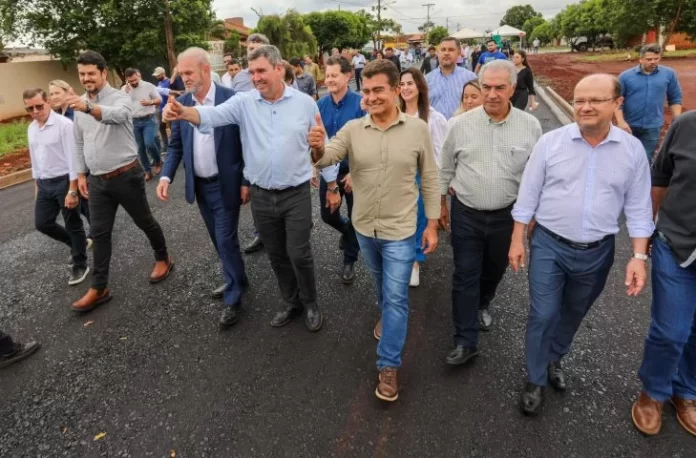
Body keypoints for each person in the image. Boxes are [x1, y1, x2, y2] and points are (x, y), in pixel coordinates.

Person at [509, 74, 654, 416]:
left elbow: (638, 207)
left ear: (617, 104)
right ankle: (535, 378)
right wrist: (517, 239)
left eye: (595, 100)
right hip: (549, 245)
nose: (585, 107)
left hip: (598, 252)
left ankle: (554, 357)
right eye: (579, 100)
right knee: (543, 313)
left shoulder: (631, 151)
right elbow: (528, 194)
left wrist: (638, 256)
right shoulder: (551, 143)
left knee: (574, 312)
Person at [163, 45, 323, 332]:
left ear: (278, 68)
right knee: (276, 253)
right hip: (262, 195)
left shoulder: (305, 104)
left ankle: (310, 302)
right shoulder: (244, 102)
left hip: (295, 193)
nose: (255, 78)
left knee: (299, 253)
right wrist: (183, 111)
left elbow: (319, 152)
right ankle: (291, 301)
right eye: (252, 72)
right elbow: (212, 116)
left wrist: (321, 151)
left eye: (261, 71)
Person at [309, 59, 440, 402]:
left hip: (401, 230)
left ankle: (389, 365)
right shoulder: (353, 129)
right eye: (366, 91)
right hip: (365, 228)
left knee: (397, 296)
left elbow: (429, 177)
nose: (371, 97)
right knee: (382, 283)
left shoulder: (417, 130)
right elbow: (327, 158)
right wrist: (318, 145)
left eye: (378, 90)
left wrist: (432, 224)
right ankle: (385, 312)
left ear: (396, 90)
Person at [439, 59, 542, 363]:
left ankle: (483, 302)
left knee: (494, 268)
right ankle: (465, 340)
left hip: (507, 216)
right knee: (464, 273)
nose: (492, 94)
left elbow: (536, 176)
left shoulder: (530, 126)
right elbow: (444, 169)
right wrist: (440, 206)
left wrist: (533, 214)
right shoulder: (459, 125)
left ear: (513, 88)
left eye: (500, 87)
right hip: (466, 214)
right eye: (486, 87)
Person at [67, 50, 173, 312]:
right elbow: (78, 142)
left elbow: (119, 116)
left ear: (103, 73)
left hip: (126, 175)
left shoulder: (120, 97)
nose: (86, 78)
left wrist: (88, 107)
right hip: (97, 181)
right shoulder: (79, 103)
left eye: (91, 73)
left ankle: (164, 258)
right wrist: (80, 175)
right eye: (82, 74)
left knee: (144, 221)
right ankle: (99, 287)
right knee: (99, 234)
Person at [156, 47, 248, 328]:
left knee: (225, 239)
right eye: (181, 73)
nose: (184, 78)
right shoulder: (182, 102)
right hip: (200, 187)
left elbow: (246, 142)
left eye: (189, 72)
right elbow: (176, 146)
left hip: (226, 184)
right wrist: (165, 177)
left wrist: (245, 181)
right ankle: (237, 278)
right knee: (218, 239)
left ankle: (234, 297)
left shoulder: (231, 99)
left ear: (206, 70)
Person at [632, 110, 696, 437]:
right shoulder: (687, 125)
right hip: (677, 244)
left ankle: (686, 391)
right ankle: (654, 391)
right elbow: (660, 180)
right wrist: (643, 242)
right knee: (670, 330)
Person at [24, 87, 90, 286]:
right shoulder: (32, 128)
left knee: (73, 223)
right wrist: (37, 185)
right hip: (44, 183)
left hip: (64, 181)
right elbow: (35, 159)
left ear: (48, 103)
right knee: (42, 223)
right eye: (30, 108)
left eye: (39, 106)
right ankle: (76, 244)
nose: (35, 111)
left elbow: (73, 159)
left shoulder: (64, 125)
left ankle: (80, 263)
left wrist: (72, 190)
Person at [316, 56, 365, 284]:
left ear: (348, 76)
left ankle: (349, 260)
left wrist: (355, 172)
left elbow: (367, 141)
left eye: (334, 75)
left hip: (354, 171)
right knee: (328, 215)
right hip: (329, 171)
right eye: (327, 75)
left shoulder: (360, 104)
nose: (329, 80)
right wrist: (312, 168)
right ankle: (347, 232)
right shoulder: (319, 105)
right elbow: (315, 140)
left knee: (356, 217)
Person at [398, 67, 448, 287]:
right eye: (402, 84)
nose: (405, 88)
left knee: (418, 220)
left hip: (420, 177)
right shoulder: (393, 114)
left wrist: (436, 188)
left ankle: (415, 262)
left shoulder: (433, 118)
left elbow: (439, 153)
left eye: (410, 83)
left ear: (419, 86)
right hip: (396, 177)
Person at [230, 33, 270, 254]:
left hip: (272, 137)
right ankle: (261, 232)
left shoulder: (278, 70)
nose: (252, 51)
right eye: (250, 49)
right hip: (247, 139)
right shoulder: (239, 78)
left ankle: (292, 222)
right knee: (254, 186)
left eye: (257, 48)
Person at [615, 43, 683, 162]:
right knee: (625, 157)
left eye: (656, 59)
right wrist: (620, 122)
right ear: (640, 59)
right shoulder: (625, 77)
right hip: (629, 125)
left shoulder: (669, 74)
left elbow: (675, 98)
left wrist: (677, 119)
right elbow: (617, 101)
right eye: (649, 59)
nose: (653, 62)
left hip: (653, 126)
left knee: (646, 158)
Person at [48, 79, 93, 248]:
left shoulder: (76, 112)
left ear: (68, 92)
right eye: (51, 94)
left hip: (83, 163)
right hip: (68, 165)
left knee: (86, 200)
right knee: (82, 203)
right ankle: (97, 230)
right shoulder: (57, 115)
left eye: (57, 92)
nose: (54, 96)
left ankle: (97, 234)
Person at [122, 68, 163, 181]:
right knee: (140, 148)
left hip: (148, 120)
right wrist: (124, 93)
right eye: (131, 81)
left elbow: (159, 100)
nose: (134, 82)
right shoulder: (124, 90)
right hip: (134, 121)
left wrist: (150, 102)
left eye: (135, 80)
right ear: (127, 80)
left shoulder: (148, 86)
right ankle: (147, 171)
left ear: (138, 76)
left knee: (149, 143)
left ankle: (158, 161)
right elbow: (120, 105)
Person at [425, 37, 477, 119]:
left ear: (458, 53)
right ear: (438, 53)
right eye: (443, 50)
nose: (446, 53)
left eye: (451, 50)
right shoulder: (426, 80)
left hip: (462, 125)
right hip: (435, 126)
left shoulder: (470, 78)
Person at [152, 67, 180, 151]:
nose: (156, 77)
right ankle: (165, 145)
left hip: (169, 108)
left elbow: (172, 94)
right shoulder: (159, 83)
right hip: (160, 109)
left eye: (158, 75)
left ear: (162, 74)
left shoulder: (169, 82)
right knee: (161, 127)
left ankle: (174, 145)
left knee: (172, 127)